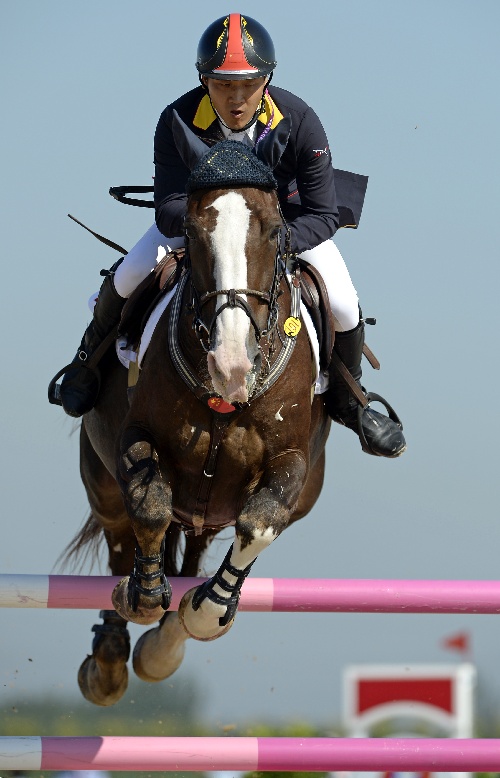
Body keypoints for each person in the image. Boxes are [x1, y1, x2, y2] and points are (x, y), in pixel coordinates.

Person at [56, 13, 406, 458]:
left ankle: (348, 398)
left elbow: (322, 212)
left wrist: (269, 241)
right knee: (129, 275)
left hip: (283, 230)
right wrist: (217, 232)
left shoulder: (300, 121)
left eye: (248, 84)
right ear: (204, 80)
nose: (236, 98)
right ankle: (86, 364)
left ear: (267, 79)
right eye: (223, 85)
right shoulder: (178, 119)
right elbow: (167, 207)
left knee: (342, 302)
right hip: (200, 227)